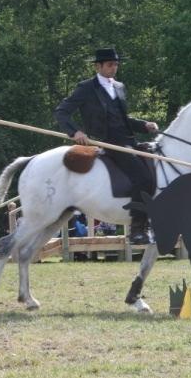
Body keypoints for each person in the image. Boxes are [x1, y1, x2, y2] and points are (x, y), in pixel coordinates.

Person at [54, 47, 159, 245]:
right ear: (98, 66)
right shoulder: (86, 87)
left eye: (116, 64)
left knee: (155, 168)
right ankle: (137, 229)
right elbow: (62, 112)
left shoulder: (119, 86)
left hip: (128, 140)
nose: (114, 68)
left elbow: (122, 118)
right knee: (143, 178)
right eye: (110, 65)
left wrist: (143, 125)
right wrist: (75, 132)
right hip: (106, 142)